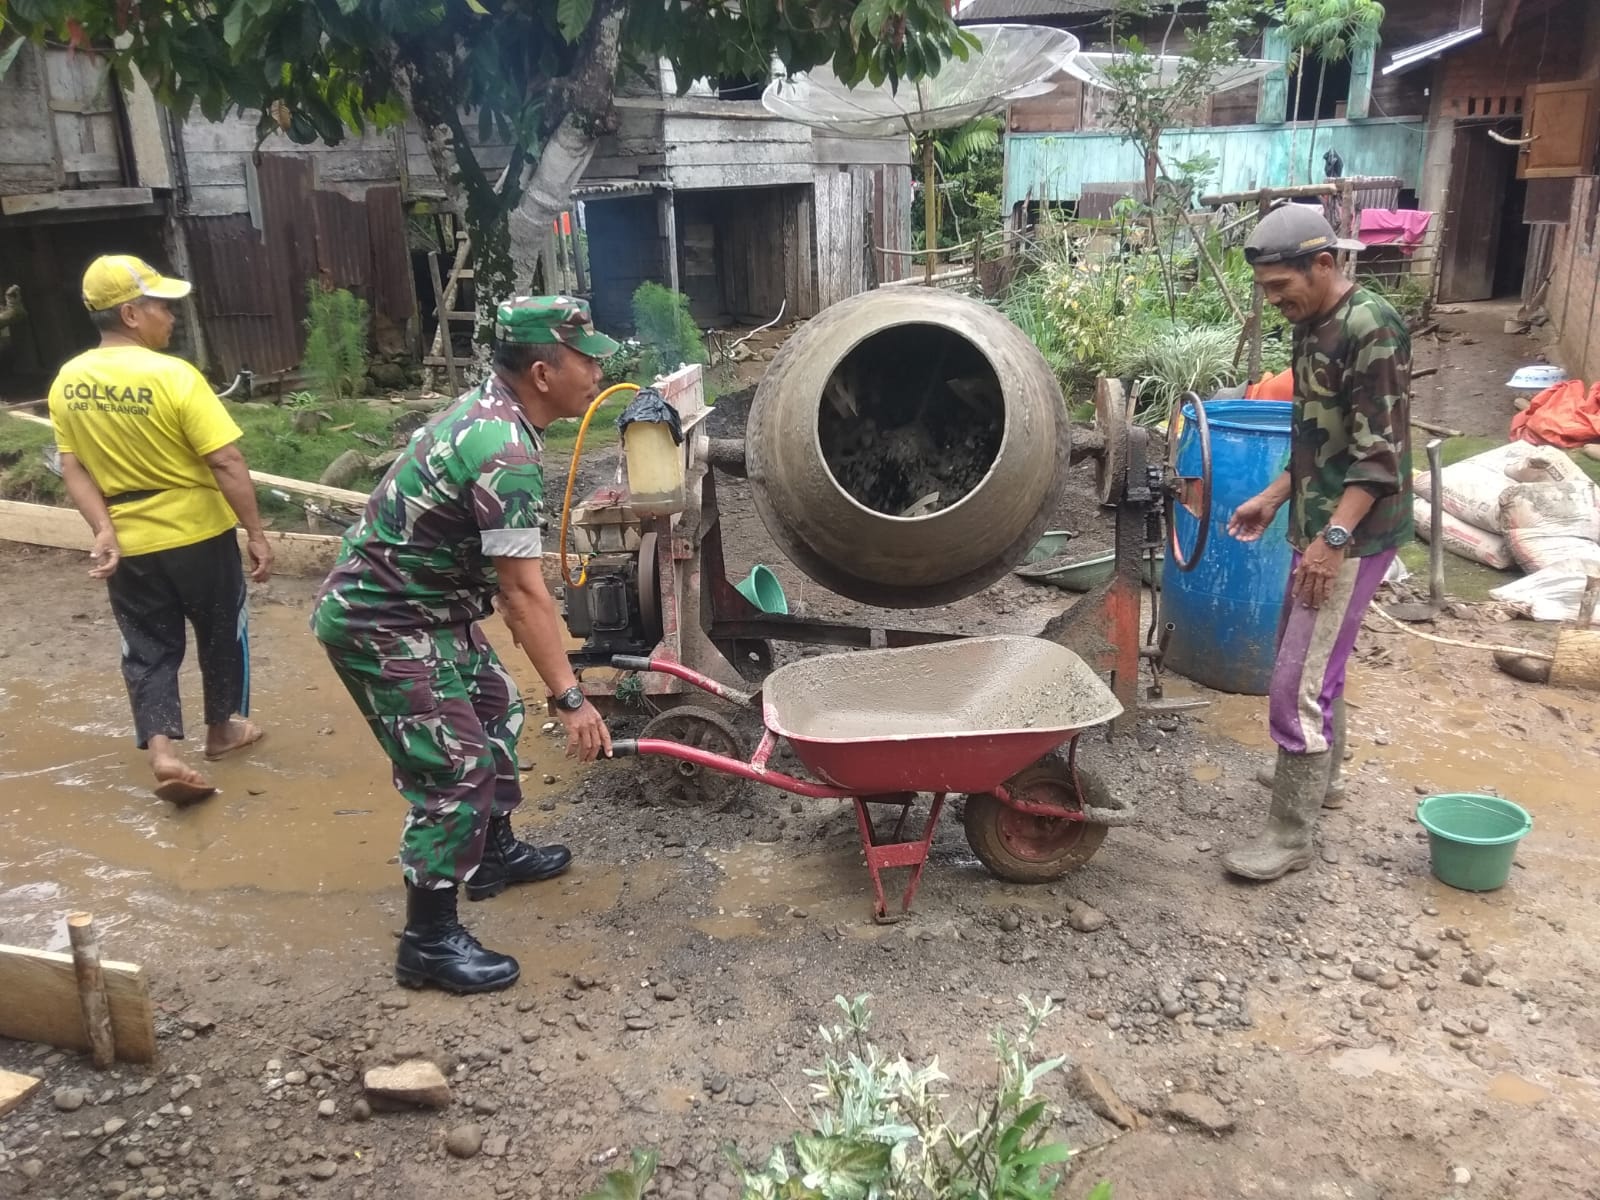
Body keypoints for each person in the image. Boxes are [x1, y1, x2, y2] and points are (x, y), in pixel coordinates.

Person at [312, 295, 617, 995]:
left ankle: (491, 856)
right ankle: (428, 941)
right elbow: (521, 596)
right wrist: (572, 697)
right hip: (381, 622)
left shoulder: (499, 412)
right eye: (585, 358)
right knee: (453, 771)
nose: (599, 369)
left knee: (495, 708)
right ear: (543, 373)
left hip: (430, 612)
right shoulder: (503, 451)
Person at [1222, 204, 1412, 881]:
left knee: (1293, 681)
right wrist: (1274, 498)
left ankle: (1290, 833)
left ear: (1324, 264)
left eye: (1282, 288)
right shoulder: (1311, 327)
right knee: (1314, 661)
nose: (1275, 303)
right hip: (1318, 522)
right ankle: (1323, 781)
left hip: (1353, 533)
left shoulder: (1370, 328)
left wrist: (1331, 542)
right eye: (1267, 290)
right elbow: (1315, 439)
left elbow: (1378, 459)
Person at [48, 255, 272, 807]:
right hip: (199, 535)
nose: (171, 316)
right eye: (161, 306)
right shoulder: (173, 376)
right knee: (222, 631)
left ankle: (164, 754)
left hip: (130, 542)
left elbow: (72, 465)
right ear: (130, 314)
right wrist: (256, 532)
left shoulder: (68, 381)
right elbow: (225, 460)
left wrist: (102, 528)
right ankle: (223, 732)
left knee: (147, 648)